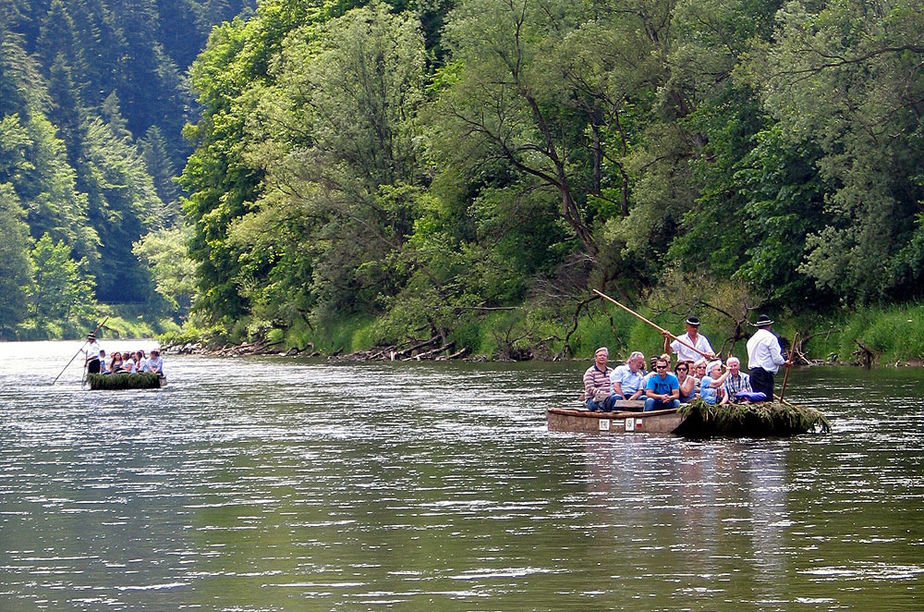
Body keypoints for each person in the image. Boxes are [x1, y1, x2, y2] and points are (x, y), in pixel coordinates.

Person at [746, 314, 790, 400]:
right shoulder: (770, 338)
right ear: (769, 326)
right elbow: (776, 359)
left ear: (758, 327)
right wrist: (784, 362)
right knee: (767, 401)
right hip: (764, 375)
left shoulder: (752, 339)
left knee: (757, 402)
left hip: (753, 375)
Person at [583, 347, 617, 412]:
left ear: (607, 359)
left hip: (610, 398)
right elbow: (590, 388)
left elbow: (615, 385)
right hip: (593, 400)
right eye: (600, 355)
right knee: (603, 404)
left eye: (604, 356)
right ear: (595, 358)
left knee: (617, 400)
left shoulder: (611, 371)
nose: (602, 357)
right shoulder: (590, 372)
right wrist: (603, 394)